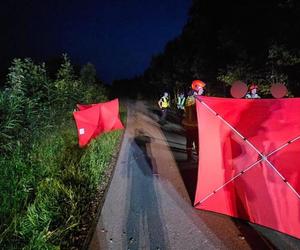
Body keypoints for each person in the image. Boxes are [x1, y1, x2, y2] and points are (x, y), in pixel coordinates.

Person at [182, 80, 206, 161]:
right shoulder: (195, 99)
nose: (203, 90)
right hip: (194, 124)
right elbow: (196, 111)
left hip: (189, 124)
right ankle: (198, 158)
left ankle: (190, 157)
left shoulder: (190, 98)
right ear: (197, 88)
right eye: (201, 88)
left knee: (190, 141)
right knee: (196, 142)